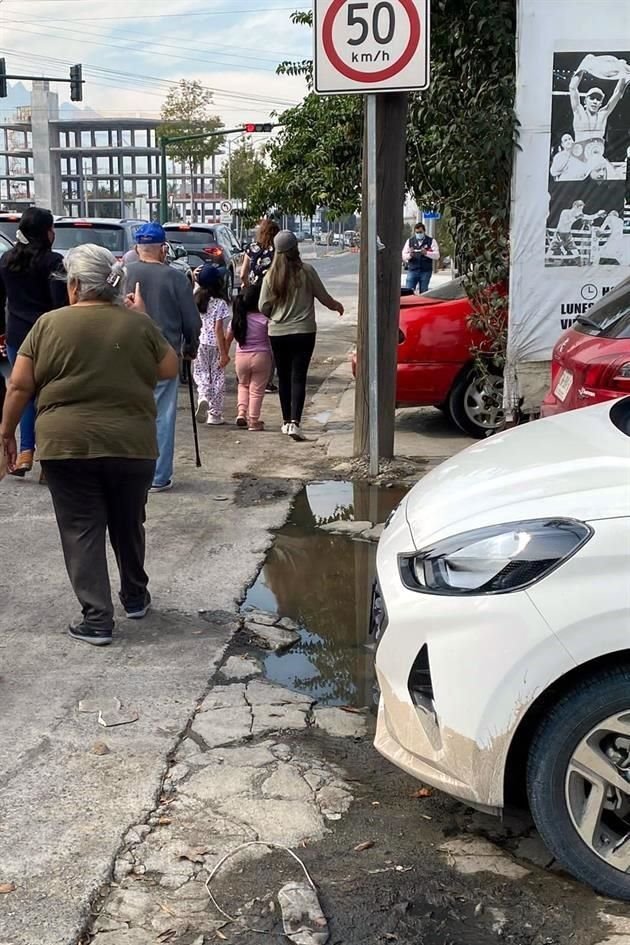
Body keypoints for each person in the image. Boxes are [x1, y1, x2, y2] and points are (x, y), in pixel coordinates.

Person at [0, 244, 179, 646]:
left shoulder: (48, 325)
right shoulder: (137, 325)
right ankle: (135, 596)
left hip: (66, 444)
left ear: (76, 284)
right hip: (131, 444)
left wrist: (6, 432)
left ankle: (97, 619)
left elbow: (19, 385)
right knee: (128, 522)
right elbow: (169, 368)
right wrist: (144, 318)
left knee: (81, 528)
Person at [124, 222, 200, 492]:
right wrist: (192, 346)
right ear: (162, 249)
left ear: (136, 247)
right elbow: (191, 321)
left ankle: (130, 471)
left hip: (127, 356)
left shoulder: (122, 274)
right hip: (164, 355)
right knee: (162, 416)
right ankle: (158, 476)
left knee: (130, 413)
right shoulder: (176, 278)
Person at [0, 207, 67, 476]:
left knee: (24, 393)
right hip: (47, 336)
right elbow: (60, 303)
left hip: (17, 335)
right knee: (50, 395)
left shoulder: (6, 261)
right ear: (46, 232)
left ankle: (26, 453)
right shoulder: (53, 262)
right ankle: (50, 460)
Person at [259, 230, 344, 441]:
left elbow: (263, 306)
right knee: (298, 377)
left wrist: (275, 315)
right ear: (296, 249)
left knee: (284, 377)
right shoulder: (307, 271)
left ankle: (286, 421)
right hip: (304, 331)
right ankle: (296, 423)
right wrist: (336, 306)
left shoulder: (270, 276)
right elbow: (323, 297)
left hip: (278, 332)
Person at [240, 218, 280, 394]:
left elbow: (242, 274)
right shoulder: (277, 251)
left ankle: (245, 373)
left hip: (252, 295)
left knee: (251, 331)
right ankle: (267, 380)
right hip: (270, 296)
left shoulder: (252, 248)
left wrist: (247, 287)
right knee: (268, 337)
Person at [227, 282, 272, 431]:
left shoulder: (238, 319)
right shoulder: (264, 319)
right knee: (257, 390)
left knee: (243, 385)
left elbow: (228, 339)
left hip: (241, 358)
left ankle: (241, 413)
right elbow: (272, 339)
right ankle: (253, 420)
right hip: (261, 357)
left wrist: (223, 355)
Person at [192, 264, 231, 425]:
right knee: (217, 377)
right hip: (215, 344)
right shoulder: (220, 303)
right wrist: (224, 353)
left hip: (200, 342)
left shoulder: (196, 298)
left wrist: (196, 277)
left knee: (202, 374)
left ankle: (203, 396)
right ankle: (214, 414)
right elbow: (218, 329)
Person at [569, 68, 630, 145]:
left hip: (597, 155)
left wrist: (622, 72)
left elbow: (618, 92)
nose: (595, 101)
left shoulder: (602, 115)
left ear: (601, 103)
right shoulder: (579, 113)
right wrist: (582, 67)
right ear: (585, 101)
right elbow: (572, 88)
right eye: (592, 98)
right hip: (579, 155)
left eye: (598, 99)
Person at [402, 222, 440, 294]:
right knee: (408, 290)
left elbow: (437, 255)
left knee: (424, 292)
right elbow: (404, 256)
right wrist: (410, 255)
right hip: (413, 270)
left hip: (425, 271)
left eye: (420, 232)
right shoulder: (410, 241)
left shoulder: (431, 241)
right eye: (417, 232)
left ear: (424, 231)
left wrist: (426, 253)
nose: (419, 234)